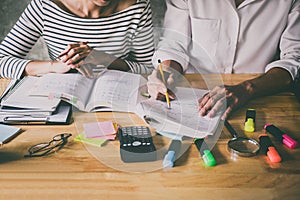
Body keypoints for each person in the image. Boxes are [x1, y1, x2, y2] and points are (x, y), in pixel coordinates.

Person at [147, 0, 300, 120]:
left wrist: (247, 88)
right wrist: (167, 70)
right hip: (192, 98)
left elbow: (293, 59)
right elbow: (174, 44)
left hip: (259, 95)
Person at [0, 0, 155, 79]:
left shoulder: (138, 7)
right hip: (61, 100)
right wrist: (54, 66)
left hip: (117, 98)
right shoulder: (44, 6)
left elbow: (149, 69)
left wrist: (105, 59)